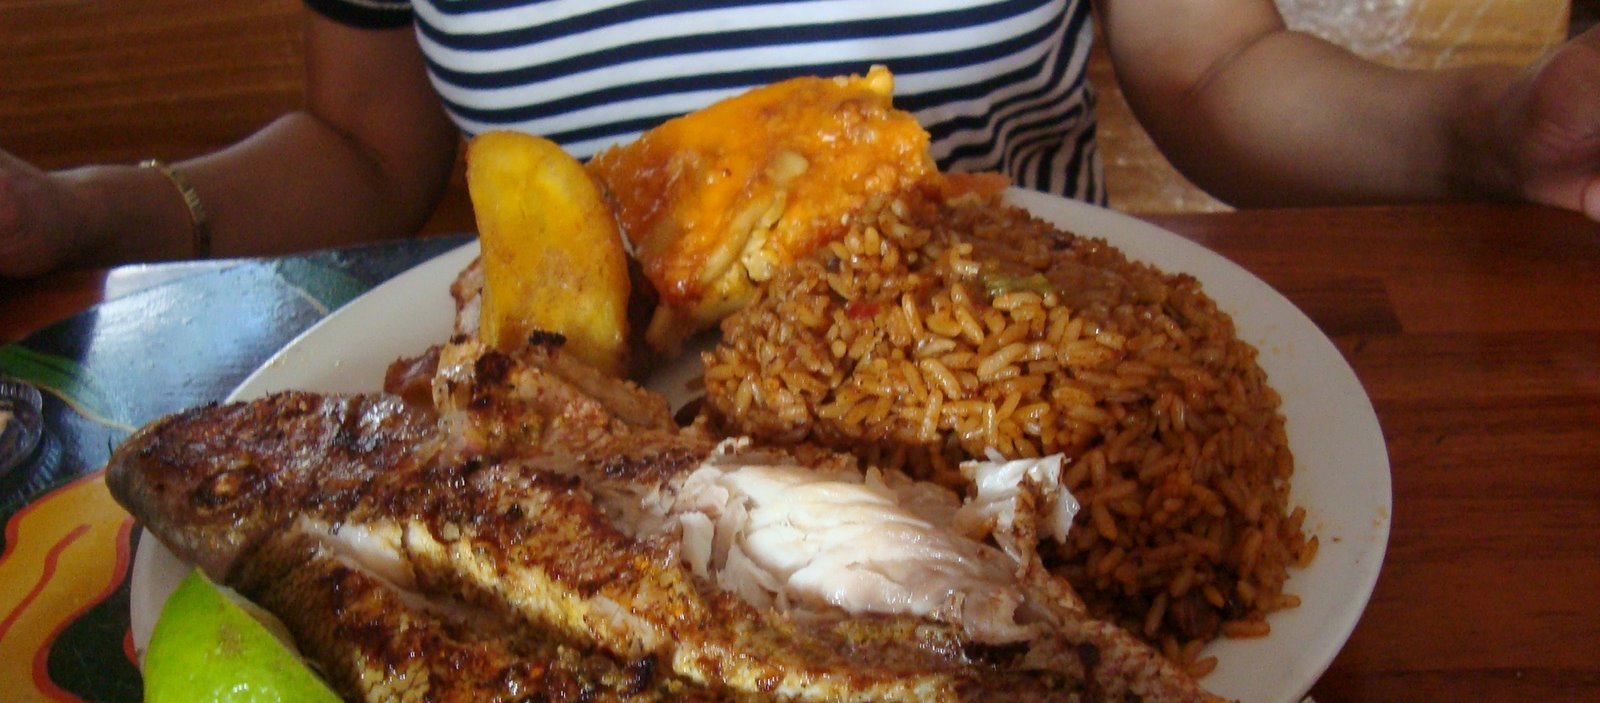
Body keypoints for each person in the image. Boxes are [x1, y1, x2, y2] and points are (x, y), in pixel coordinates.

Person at [1, 0, 1596, 280]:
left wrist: (1484, 135)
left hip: (1013, 421)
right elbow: (365, 149)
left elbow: (1214, 62)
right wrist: (88, 214)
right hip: (589, 458)